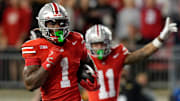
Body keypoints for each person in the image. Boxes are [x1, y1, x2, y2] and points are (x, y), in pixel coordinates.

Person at [21, 2, 100, 101]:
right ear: (42, 23)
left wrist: (93, 75)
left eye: (61, 22)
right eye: (52, 23)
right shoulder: (35, 46)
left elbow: (87, 61)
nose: (57, 27)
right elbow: (30, 84)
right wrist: (49, 62)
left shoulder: (75, 40)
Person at [85, 18, 177, 101]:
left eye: (102, 44)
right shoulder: (84, 60)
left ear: (108, 43)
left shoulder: (116, 56)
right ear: (90, 45)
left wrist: (161, 38)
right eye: (96, 44)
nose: (100, 48)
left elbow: (143, 53)